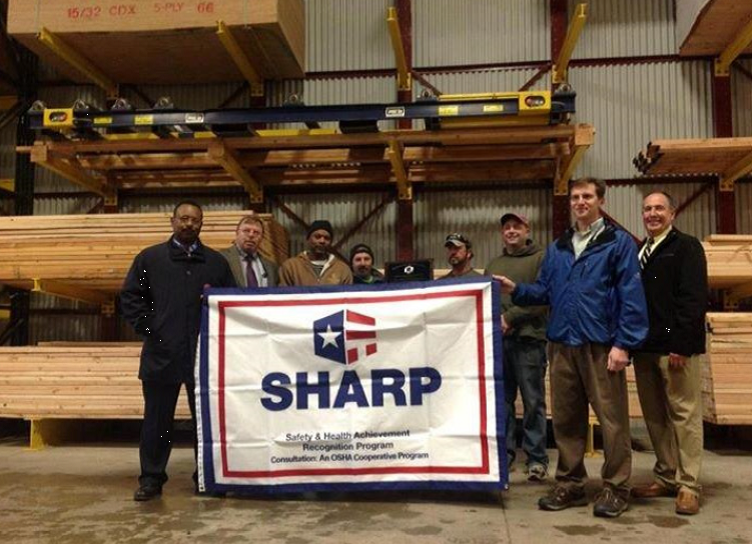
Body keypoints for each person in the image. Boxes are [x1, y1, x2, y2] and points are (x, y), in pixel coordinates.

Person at [495, 177, 648, 518]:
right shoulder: (559, 247)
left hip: (600, 344)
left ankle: (616, 487)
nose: (580, 202)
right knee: (565, 419)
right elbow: (546, 292)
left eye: (587, 196)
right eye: (576, 197)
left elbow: (632, 297)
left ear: (600, 201)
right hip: (562, 343)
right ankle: (571, 482)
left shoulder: (617, 243)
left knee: (612, 421)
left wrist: (623, 344)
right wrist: (516, 289)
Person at [121, 201, 237, 501]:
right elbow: (131, 298)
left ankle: (206, 478)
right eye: (183, 219)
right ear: (172, 221)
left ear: (202, 224)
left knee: (205, 421)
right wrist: (152, 327)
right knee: (157, 420)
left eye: (195, 220)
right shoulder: (150, 259)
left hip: (204, 357)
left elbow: (232, 303)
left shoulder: (216, 262)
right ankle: (151, 479)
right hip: (162, 353)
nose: (189, 224)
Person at [631, 191, 708, 516]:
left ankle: (688, 484)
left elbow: (693, 299)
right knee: (655, 417)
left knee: (684, 415)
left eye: (659, 208)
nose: (652, 214)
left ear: (672, 213)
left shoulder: (686, 247)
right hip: (645, 349)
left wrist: (682, 344)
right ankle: (665, 475)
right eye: (648, 209)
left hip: (675, 350)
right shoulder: (640, 251)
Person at [484, 212, 549, 482]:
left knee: (533, 401)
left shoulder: (541, 259)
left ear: (526, 230)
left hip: (529, 340)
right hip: (500, 344)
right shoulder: (493, 264)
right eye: (506, 227)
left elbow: (544, 298)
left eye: (516, 227)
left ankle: (536, 458)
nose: (511, 231)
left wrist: (510, 318)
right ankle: (506, 453)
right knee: (504, 402)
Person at [278, 220, 353, 286]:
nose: (322, 241)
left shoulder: (343, 269)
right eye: (317, 237)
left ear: (331, 242)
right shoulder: (291, 267)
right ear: (308, 239)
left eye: (326, 238)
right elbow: (282, 296)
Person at [220, 214, 279, 288]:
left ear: (261, 238)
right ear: (237, 233)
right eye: (246, 231)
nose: (251, 235)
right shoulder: (221, 259)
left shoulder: (271, 267)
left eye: (256, 232)